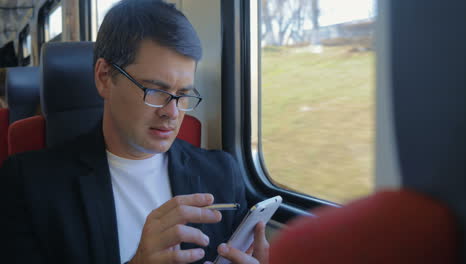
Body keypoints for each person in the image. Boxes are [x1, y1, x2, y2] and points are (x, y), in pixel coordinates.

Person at [1, 1, 269, 264]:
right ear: (104, 77)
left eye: (183, 94)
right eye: (154, 90)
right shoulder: (28, 184)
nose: (172, 112)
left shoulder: (222, 173)